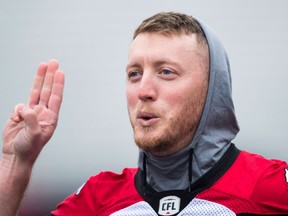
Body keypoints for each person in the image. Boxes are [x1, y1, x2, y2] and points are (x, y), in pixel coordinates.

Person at [0, 12, 287, 216]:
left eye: (166, 72)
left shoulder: (269, 187)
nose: (143, 90)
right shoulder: (97, 199)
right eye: (134, 74)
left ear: (213, 90)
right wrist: (15, 163)